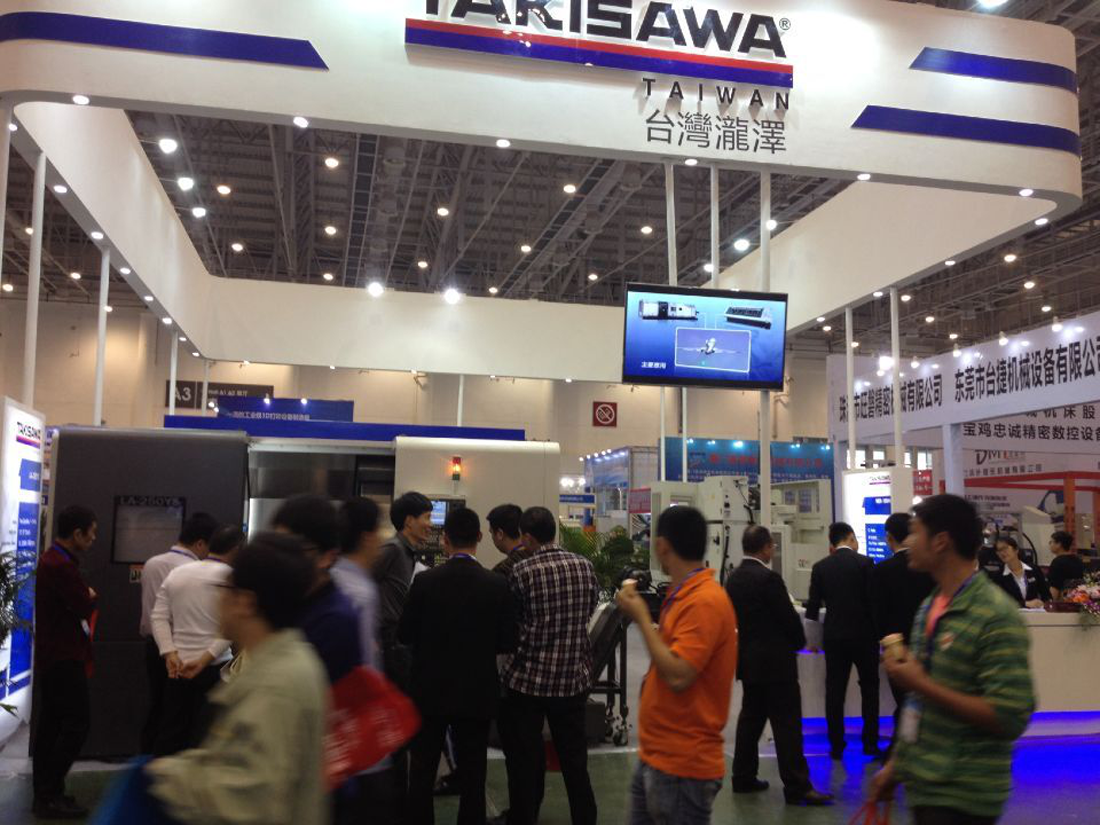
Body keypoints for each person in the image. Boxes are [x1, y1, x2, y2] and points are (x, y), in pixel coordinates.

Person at [870, 494, 1035, 825]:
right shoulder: (931, 607)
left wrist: (921, 684)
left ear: (941, 542)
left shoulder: (994, 614)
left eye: (915, 532)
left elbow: (1009, 715)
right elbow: (919, 705)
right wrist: (897, 766)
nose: (908, 541)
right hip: (926, 786)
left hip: (965, 795)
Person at [146, 532, 330, 825]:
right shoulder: (287, 661)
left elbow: (248, 798)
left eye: (224, 589)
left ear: (245, 602)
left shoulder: (275, 686)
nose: (218, 599)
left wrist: (168, 776)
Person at [616, 506, 738, 825]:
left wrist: (641, 617)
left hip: (684, 765)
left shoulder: (704, 601)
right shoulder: (683, 594)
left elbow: (678, 675)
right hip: (658, 754)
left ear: (662, 546)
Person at [399, 508, 517, 825]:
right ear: (479, 537)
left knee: (422, 772)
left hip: (428, 691)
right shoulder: (496, 584)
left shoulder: (424, 581)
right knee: (474, 774)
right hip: (477, 692)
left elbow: (404, 634)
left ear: (445, 540)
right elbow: (508, 641)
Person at [499, 506, 599, 825]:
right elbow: (591, 607)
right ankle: (585, 818)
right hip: (572, 680)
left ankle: (525, 817)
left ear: (528, 537)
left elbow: (513, 622)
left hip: (528, 682)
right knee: (575, 760)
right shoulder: (584, 566)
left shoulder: (522, 571)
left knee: (527, 760)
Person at [725, 526, 832, 807]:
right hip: (776, 665)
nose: (772, 550)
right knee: (787, 726)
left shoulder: (733, 579)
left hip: (749, 661)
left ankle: (742, 776)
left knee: (750, 721)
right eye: (771, 546)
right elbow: (788, 619)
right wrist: (799, 643)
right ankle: (797, 786)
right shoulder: (769, 579)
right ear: (765, 548)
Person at [149, 524, 244, 756]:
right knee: (206, 738)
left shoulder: (178, 573)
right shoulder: (231, 579)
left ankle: (162, 778)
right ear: (237, 549)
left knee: (171, 733)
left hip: (177, 668)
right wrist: (204, 660)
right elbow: (230, 628)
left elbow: (158, 617)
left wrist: (169, 653)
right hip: (215, 668)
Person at [32, 505, 98, 820]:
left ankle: (47, 793)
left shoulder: (53, 560)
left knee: (52, 725)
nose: (94, 539)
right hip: (64, 657)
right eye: (91, 533)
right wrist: (90, 596)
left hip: (53, 655)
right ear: (77, 533)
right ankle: (49, 792)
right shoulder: (60, 565)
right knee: (76, 724)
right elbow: (83, 603)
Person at [332, 497, 395, 825]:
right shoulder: (359, 589)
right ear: (367, 536)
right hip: (357, 733)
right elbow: (363, 668)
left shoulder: (333, 578)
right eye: (380, 530)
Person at [139, 511, 219, 753]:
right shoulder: (194, 569)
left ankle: (148, 760)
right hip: (183, 653)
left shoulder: (151, 563)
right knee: (182, 717)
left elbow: (155, 614)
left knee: (157, 707)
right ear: (200, 543)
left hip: (155, 647)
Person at [805, 522, 881, 759]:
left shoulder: (821, 567)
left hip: (835, 637)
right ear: (850, 537)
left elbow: (813, 608)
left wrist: (813, 641)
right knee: (870, 688)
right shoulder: (866, 563)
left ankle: (836, 745)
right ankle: (870, 743)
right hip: (865, 636)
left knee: (835, 691)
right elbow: (874, 604)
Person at [272, 494, 361, 685]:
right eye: (275, 547)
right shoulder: (288, 599)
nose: (278, 559)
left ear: (327, 557)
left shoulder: (336, 620)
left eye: (291, 549)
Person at [872, 512, 935, 749]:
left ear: (889, 537)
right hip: (928, 646)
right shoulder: (929, 570)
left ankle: (902, 749)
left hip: (896, 647)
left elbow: (877, 614)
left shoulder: (881, 571)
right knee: (921, 698)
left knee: (905, 700)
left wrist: (884, 645)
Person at [374, 491, 434, 688]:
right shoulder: (393, 549)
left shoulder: (408, 552)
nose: (431, 525)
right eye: (427, 517)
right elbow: (367, 582)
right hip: (389, 640)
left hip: (400, 639)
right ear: (409, 521)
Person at [989, 536, 1050, 608]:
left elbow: (1046, 595)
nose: (1002, 553)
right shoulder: (998, 576)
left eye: (1005, 548)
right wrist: (1024, 604)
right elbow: (998, 602)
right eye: (999, 550)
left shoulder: (1034, 570)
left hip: (1036, 612)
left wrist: (1044, 604)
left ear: (1016, 550)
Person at [488, 503, 534, 579]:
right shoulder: (537, 559)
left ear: (500, 534)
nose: (492, 538)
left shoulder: (502, 570)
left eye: (491, 533)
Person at [1047, 530, 1085, 601]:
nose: (1049, 545)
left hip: (1062, 602)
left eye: (1051, 542)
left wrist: (1049, 603)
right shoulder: (1077, 560)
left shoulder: (1057, 562)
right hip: (1078, 600)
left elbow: (1054, 588)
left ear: (1058, 544)